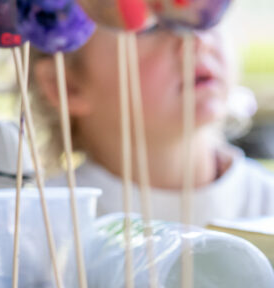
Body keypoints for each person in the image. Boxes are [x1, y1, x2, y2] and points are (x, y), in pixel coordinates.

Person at [30, 22, 274, 226]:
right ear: (64, 84)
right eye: (149, 25)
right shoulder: (37, 229)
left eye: (205, 11)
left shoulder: (266, 205)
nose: (197, 39)